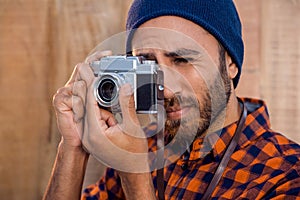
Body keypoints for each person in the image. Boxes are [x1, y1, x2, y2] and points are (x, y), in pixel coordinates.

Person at [43, 0, 300, 199]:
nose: (164, 89)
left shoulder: (286, 175)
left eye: (182, 60)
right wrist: (72, 147)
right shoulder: (145, 144)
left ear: (230, 62)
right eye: (149, 65)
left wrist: (135, 173)